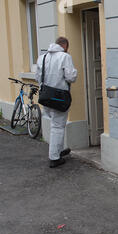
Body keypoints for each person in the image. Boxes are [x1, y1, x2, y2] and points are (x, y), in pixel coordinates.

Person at [36, 37, 78, 168]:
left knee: (55, 124)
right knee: (58, 127)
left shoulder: (42, 57)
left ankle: (58, 151)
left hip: (45, 96)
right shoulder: (65, 57)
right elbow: (71, 77)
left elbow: (38, 77)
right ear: (65, 46)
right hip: (59, 96)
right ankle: (54, 157)